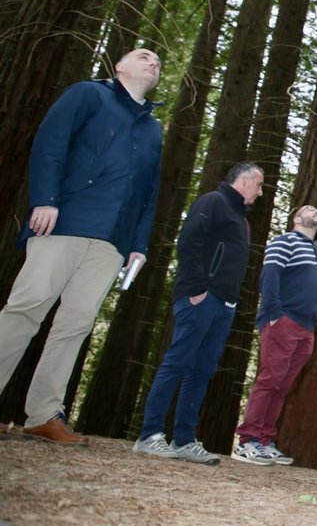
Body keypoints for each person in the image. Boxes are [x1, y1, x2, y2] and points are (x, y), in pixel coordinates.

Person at [0, 48, 163, 445]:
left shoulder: (153, 129)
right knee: (25, 309)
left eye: (159, 63)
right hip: (65, 221)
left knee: (76, 324)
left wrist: (138, 244)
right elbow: (50, 144)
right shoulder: (89, 94)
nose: (153, 63)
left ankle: (43, 414)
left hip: (112, 243)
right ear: (119, 66)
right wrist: (45, 199)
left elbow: (149, 192)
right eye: (144, 56)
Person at [132, 162, 264, 465]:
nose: (260, 192)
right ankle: (150, 434)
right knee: (177, 362)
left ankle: (184, 439)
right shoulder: (213, 202)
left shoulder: (240, 217)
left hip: (225, 304)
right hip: (201, 298)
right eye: (258, 185)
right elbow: (189, 242)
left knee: (202, 370)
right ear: (245, 181)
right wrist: (196, 288)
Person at [232, 204, 317, 465]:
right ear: (296, 218)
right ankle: (248, 440)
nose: (316, 212)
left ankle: (264, 440)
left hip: (306, 328)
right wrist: (273, 312)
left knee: (282, 386)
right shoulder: (285, 241)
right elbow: (270, 274)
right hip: (283, 321)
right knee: (269, 380)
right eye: (309, 209)